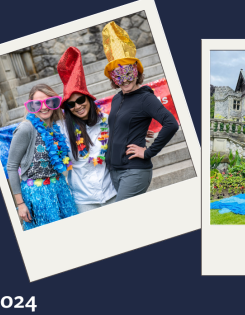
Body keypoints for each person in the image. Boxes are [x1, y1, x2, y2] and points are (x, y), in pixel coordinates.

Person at [102, 21, 179, 202]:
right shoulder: (116, 99)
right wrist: (134, 131)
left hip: (134, 171)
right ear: (113, 79)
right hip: (114, 170)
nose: (124, 79)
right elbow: (119, 126)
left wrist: (148, 152)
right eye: (118, 76)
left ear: (136, 72)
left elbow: (171, 123)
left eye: (128, 72)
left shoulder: (146, 98)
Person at [6, 84, 78, 230]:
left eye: (48, 101)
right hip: (38, 194)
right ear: (31, 105)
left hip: (60, 189)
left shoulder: (53, 127)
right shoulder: (26, 128)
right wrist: (20, 204)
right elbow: (12, 167)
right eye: (38, 103)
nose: (44, 107)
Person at [57, 46, 117, 213]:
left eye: (81, 99)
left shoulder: (106, 121)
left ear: (89, 99)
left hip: (112, 192)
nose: (77, 106)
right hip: (84, 201)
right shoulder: (62, 130)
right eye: (71, 104)